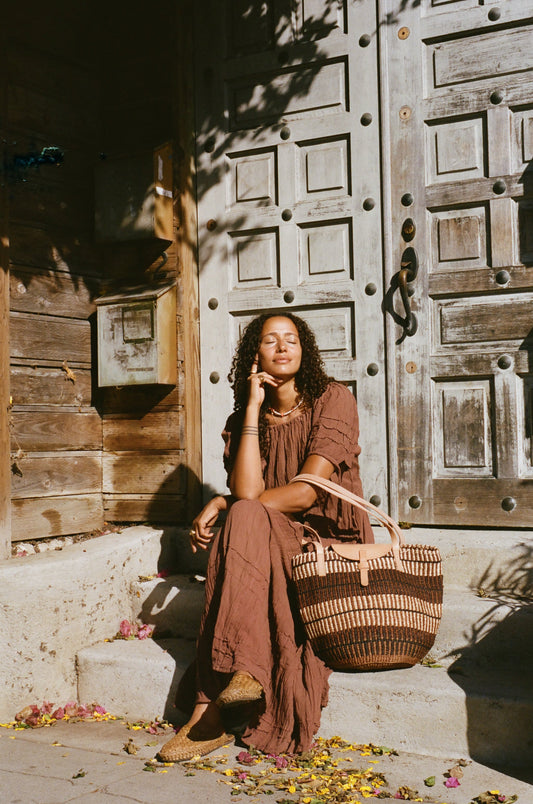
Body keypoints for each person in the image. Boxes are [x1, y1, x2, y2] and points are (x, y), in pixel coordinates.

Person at [158, 312, 373, 762]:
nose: (282, 347)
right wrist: (253, 409)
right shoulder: (243, 419)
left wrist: (226, 503)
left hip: (323, 544)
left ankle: (209, 712)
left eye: (291, 339)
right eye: (270, 340)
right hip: (266, 536)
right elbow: (249, 491)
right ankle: (242, 679)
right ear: (254, 355)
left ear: (304, 349)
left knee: (243, 514)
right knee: (247, 515)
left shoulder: (332, 400)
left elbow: (306, 493)